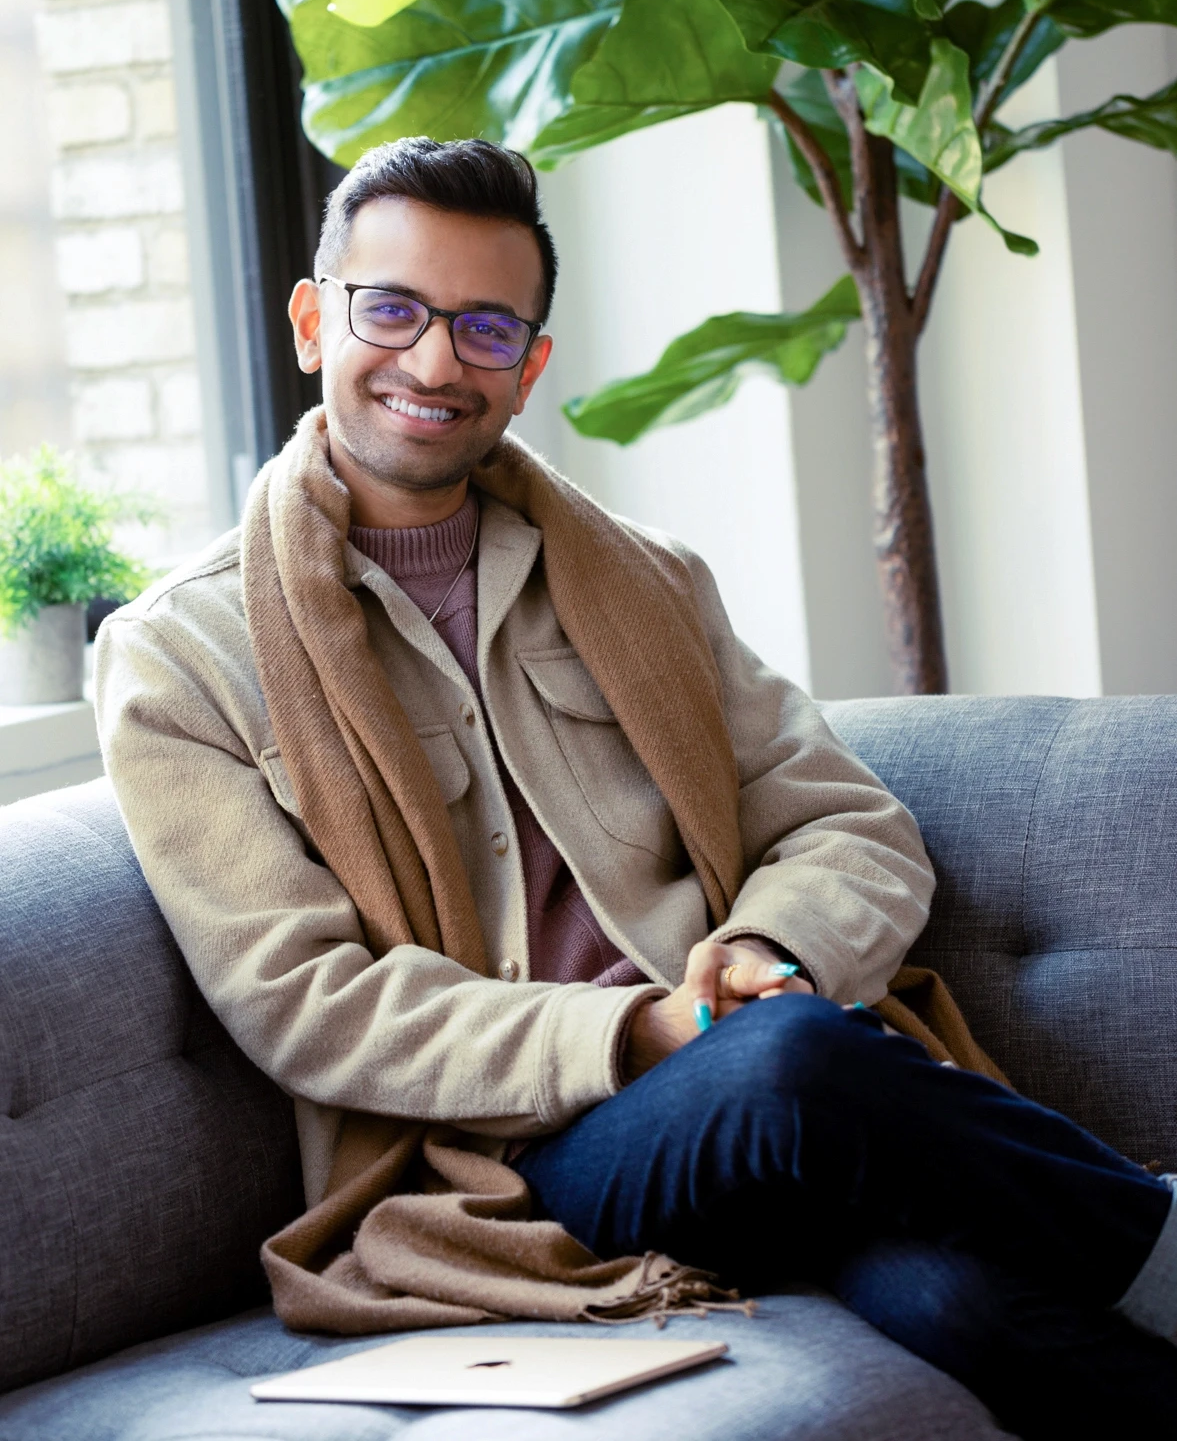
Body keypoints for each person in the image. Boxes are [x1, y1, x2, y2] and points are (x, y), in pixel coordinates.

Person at [95, 137, 1177, 1435]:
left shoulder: (644, 579)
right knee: (788, 1064)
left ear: (530, 364)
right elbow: (309, 1004)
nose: (436, 362)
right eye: (394, 310)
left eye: (485, 328)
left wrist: (774, 942)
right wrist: (640, 1036)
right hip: (518, 1156)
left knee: (965, 1310)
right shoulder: (179, 657)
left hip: (762, 1082)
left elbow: (846, 821)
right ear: (316, 318)